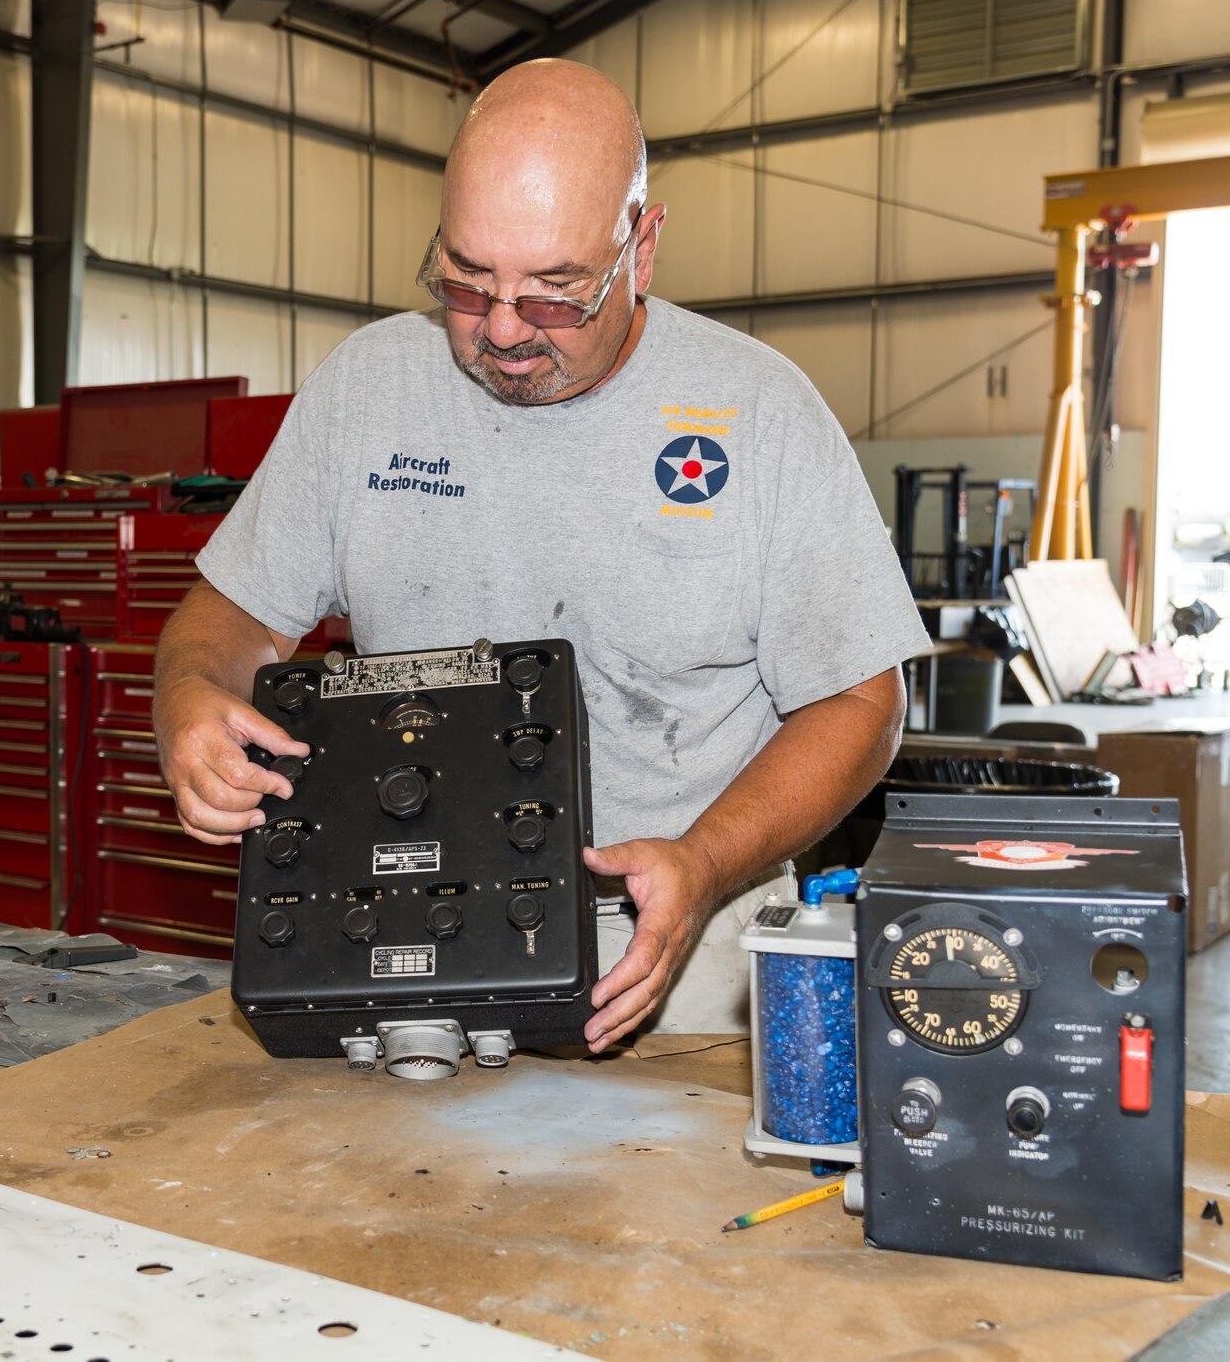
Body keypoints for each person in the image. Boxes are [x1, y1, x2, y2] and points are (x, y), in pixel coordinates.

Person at [152, 58, 930, 1052]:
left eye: (555, 294)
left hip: (674, 967)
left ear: (641, 247)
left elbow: (861, 703)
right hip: (406, 946)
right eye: (465, 284)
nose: (505, 328)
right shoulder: (367, 391)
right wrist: (187, 694)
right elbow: (234, 615)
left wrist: (700, 861)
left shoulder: (759, 416)